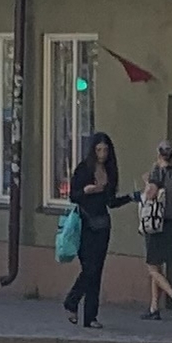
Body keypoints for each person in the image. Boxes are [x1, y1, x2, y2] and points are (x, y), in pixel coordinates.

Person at [62, 131, 128, 328]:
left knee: (97, 270)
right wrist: (85, 191)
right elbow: (73, 196)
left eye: (106, 150)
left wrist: (131, 197)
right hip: (84, 223)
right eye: (99, 150)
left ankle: (90, 316)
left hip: (102, 225)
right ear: (93, 150)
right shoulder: (83, 169)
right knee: (89, 269)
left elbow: (111, 202)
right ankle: (71, 301)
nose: (102, 154)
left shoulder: (110, 171)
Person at [138, 142, 172, 320]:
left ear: (159, 154)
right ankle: (154, 308)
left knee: (152, 267)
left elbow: (150, 194)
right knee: (160, 264)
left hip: (155, 223)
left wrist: (147, 182)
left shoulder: (157, 172)